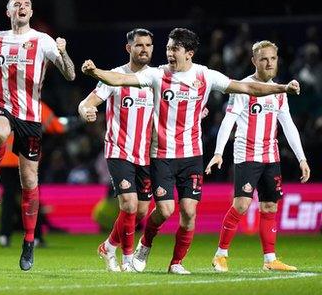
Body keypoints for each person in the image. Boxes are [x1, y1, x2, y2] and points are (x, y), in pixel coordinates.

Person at [81, 27, 300, 274]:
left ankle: (176, 263)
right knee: (165, 210)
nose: (169, 54)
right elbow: (120, 79)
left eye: (174, 49)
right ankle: (146, 243)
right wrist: (95, 72)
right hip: (161, 154)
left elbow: (249, 88)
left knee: (188, 213)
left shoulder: (206, 76)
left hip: (192, 156)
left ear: (190, 53)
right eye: (167, 48)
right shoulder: (156, 75)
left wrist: (282, 88)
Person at [0, 0, 76, 271]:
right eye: (16, 5)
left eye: (26, 5)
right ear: (8, 12)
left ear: (31, 12)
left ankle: (29, 241)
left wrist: (64, 51)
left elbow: (69, 75)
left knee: (29, 182)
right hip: (2, 105)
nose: (21, 8)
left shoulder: (43, 40)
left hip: (31, 117)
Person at [205, 40, 310, 272]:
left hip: (271, 157)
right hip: (247, 155)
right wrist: (219, 152)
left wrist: (301, 158)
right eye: (263, 59)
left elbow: (288, 125)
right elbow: (228, 120)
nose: (269, 63)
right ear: (254, 61)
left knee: (270, 206)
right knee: (241, 204)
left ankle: (270, 260)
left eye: (272, 58)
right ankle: (220, 255)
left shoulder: (280, 91)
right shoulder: (243, 88)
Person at [78, 28, 155, 272]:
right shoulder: (113, 77)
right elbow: (88, 101)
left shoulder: (157, 78)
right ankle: (127, 260)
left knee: (141, 209)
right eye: (139, 45)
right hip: (118, 150)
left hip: (146, 154)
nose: (144, 49)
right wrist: (85, 110)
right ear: (128, 48)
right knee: (130, 205)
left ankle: (109, 246)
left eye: (149, 45)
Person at [0, 102, 68, 248]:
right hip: (27, 158)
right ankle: (36, 237)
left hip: (5, 160)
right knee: (31, 196)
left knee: (8, 198)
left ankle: (4, 236)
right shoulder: (33, 102)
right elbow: (59, 127)